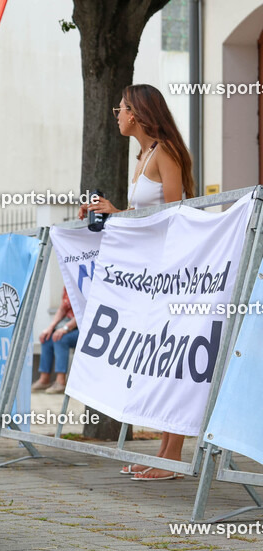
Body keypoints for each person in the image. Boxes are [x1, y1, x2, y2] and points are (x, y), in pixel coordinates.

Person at [79, 84, 196, 482]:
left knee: (172, 359)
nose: (117, 113)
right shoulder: (144, 154)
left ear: (139, 114)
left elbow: (178, 214)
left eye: (122, 108)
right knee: (158, 361)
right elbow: (143, 212)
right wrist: (113, 212)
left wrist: (123, 215)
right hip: (150, 276)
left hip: (172, 274)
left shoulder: (165, 153)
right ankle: (164, 454)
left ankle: (174, 456)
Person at [33, 287, 78, 394]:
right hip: (68, 324)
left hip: (83, 327)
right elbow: (62, 309)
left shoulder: (87, 283)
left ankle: (61, 381)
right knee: (47, 338)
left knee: (60, 338)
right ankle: (44, 379)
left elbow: (86, 312)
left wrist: (65, 329)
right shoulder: (68, 283)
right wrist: (50, 328)